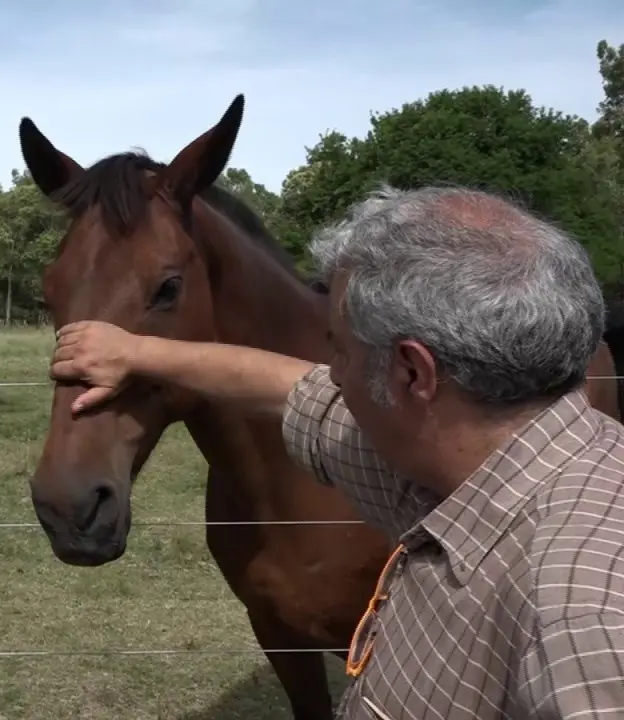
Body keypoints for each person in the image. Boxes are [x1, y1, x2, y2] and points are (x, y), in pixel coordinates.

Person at [49, 185, 624, 719]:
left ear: (411, 371)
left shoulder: (580, 613)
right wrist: (137, 351)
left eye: (338, 351)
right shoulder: (447, 466)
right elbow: (285, 387)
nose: (323, 376)